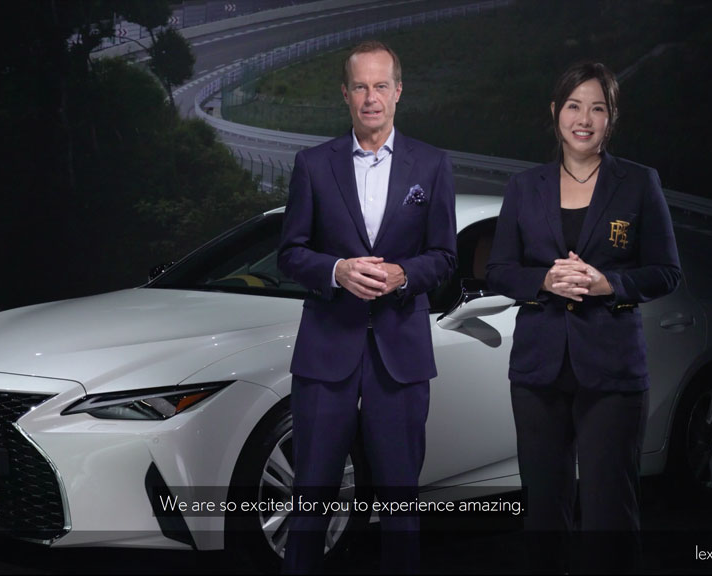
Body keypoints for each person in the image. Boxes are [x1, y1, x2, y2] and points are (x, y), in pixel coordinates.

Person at [486, 62, 681, 571]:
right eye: (574, 106)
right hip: (538, 373)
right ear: (555, 113)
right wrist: (544, 280)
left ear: (611, 119)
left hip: (611, 372)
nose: (584, 119)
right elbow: (501, 271)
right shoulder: (524, 187)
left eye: (598, 108)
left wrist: (609, 283)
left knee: (609, 516)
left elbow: (667, 272)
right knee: (543, 515)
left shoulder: (638, 183)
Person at [277, 40, 456, 574]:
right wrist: (337, 271)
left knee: (400, 502)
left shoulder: (433, 164)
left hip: (400, 354)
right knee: (311, 495)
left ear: (398, 92)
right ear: (345, 94)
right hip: (327, 351)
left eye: (381, 86)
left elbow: (445, 257)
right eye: (360, 86)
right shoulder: (312, 165)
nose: (371, 97)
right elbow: (290, 254)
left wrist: (404, 275)